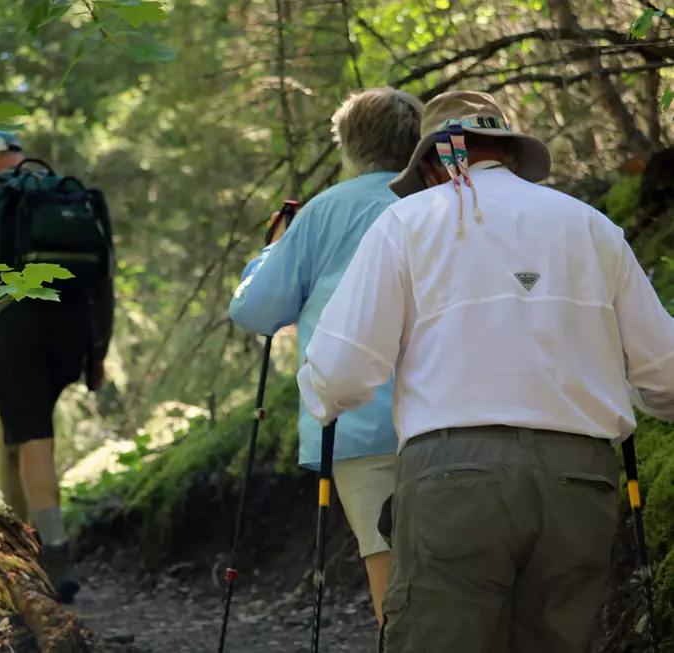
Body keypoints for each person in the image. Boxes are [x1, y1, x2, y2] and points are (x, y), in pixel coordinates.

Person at [296, 90, 674, 653]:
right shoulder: (593, 228)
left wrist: (321, 398)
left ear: (430, 163)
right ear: (513, 155)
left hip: (453, 477)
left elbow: (342, 372)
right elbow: (665, 377)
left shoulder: (407, 222)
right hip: (580, 482)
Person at [228, 87, 424, 625]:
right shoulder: (438, 199)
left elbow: (255, 311)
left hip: (356, 426)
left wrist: (274, 246)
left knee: (389, 573)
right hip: (448, 416)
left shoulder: (323, 212)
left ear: (348, 145)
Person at [0, 130, 115, 603]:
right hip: (76, 324)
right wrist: (98, 350)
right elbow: (106, 274)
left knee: (33, 440)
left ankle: (54, 554)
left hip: (20, 324)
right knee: (38, 434)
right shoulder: (71, 196)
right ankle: (42, 539)